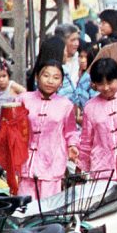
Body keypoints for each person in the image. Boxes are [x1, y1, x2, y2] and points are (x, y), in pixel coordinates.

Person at [15, 59, 79, 199]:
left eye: (56, 77)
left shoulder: (66, 105)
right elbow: (7, 123)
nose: (50, 81)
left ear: (61, 82)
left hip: (52, 164)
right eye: (46, 75)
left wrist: (72, 146)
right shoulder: (23, 99)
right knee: (24, 210)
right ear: (37, 77)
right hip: (26, 164)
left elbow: (71, 131)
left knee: (48, 211)